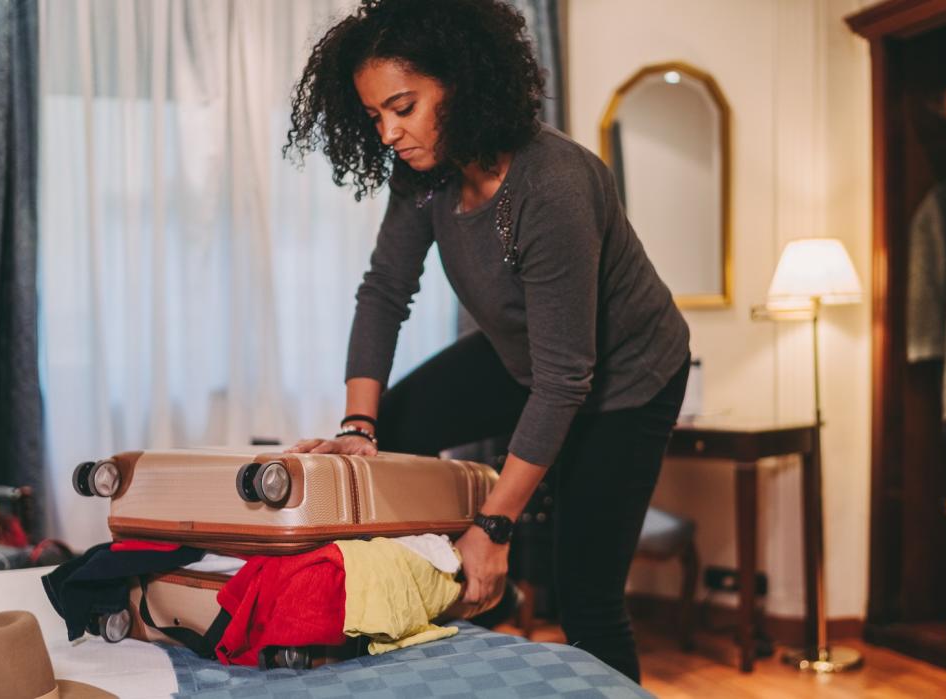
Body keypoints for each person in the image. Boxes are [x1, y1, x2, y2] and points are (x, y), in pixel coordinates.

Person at [283, 0, 690, 681]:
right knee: (397, 424)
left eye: (403, 107)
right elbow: (385, 290)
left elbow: (567, 380)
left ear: (461, 80)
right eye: (376, 115)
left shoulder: (552, 184)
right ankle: (463, 596)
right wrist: (358, 423)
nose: (388, 132)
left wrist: (493, 527)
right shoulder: (424, 173)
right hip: (524, 354)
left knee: (585, 597)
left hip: (627, 379)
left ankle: (497, 572)